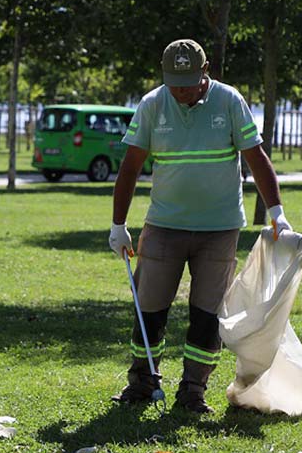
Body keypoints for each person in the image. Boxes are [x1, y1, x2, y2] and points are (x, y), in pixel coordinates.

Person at [108, 39, 291, 414]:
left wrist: (276, 212)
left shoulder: (229, 101)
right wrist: (118, 224)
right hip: (164, 225)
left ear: (205, 72)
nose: (181, 91)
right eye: (174, 83)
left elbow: (256, 157)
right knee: (149, 310)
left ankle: (193, 390)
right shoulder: (152, 104)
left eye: (188, 83)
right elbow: (130, 167)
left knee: (207, 315)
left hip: (218, 230)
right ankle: (142, 382)